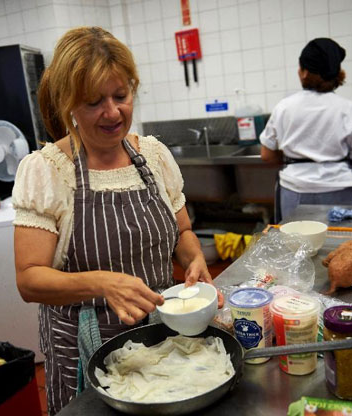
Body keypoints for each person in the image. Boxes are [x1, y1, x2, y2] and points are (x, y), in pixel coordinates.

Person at [12, 26, 222, 414]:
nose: (112, 112)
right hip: (86, 353)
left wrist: (193, 259)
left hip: (162, 338)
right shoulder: (47, 170)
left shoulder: (155, 156)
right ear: (68, 104)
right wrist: (102, 283)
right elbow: (28, 279)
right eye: (93, 102)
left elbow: (183, 231)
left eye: (121, 96)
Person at [259, 38, 352, 222]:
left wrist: (295, 158)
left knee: (297, 246)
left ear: (304, 72)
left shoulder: (284, 107)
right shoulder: (347, 108)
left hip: (294, 190)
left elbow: (267, 155)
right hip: (339, 189)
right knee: (340, 246)